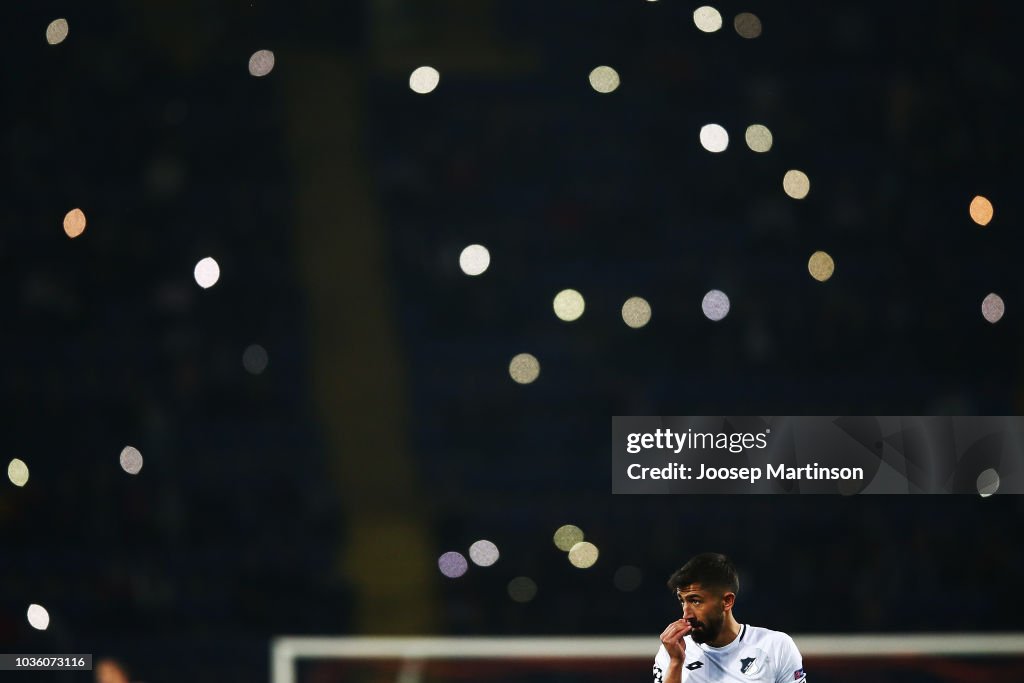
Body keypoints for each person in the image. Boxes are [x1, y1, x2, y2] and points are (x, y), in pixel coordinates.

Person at [654, 553, 806, 683]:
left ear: (727, 601)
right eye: (682, 601)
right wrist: (675, 663)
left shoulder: (776, 646)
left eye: (696, 601)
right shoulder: (672, 652)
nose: (686, 614)